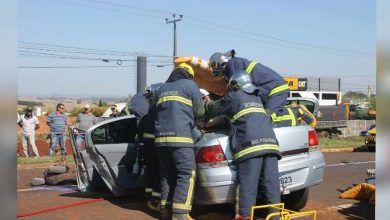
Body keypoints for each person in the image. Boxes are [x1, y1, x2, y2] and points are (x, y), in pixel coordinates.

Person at [205, 71, 281, 220]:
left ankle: (244, 217)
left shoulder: (234, 96)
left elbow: (213, 108)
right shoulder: (257, 97)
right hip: (271, 145)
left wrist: (206, 102)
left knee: (248, 186)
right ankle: (275, 217)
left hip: (250, 146)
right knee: (271, 184)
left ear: (234, 85)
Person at [154, 63, 204, 220]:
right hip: (180, 138)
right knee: (186, 173)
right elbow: (200, 111)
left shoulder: (161, 88)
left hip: (161, 139)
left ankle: (165, 210)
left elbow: (152, 114)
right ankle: (180, 214)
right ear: (189, 75)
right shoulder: (190, 85)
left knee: (167, 174)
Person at [209, 50, 290, 127]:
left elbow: (236, 93)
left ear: (219, 62)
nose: (213, 69)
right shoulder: (233, 65)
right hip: (269, 89)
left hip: (276, 88)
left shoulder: (233, 64)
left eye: (213, 65)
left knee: (267, 117)